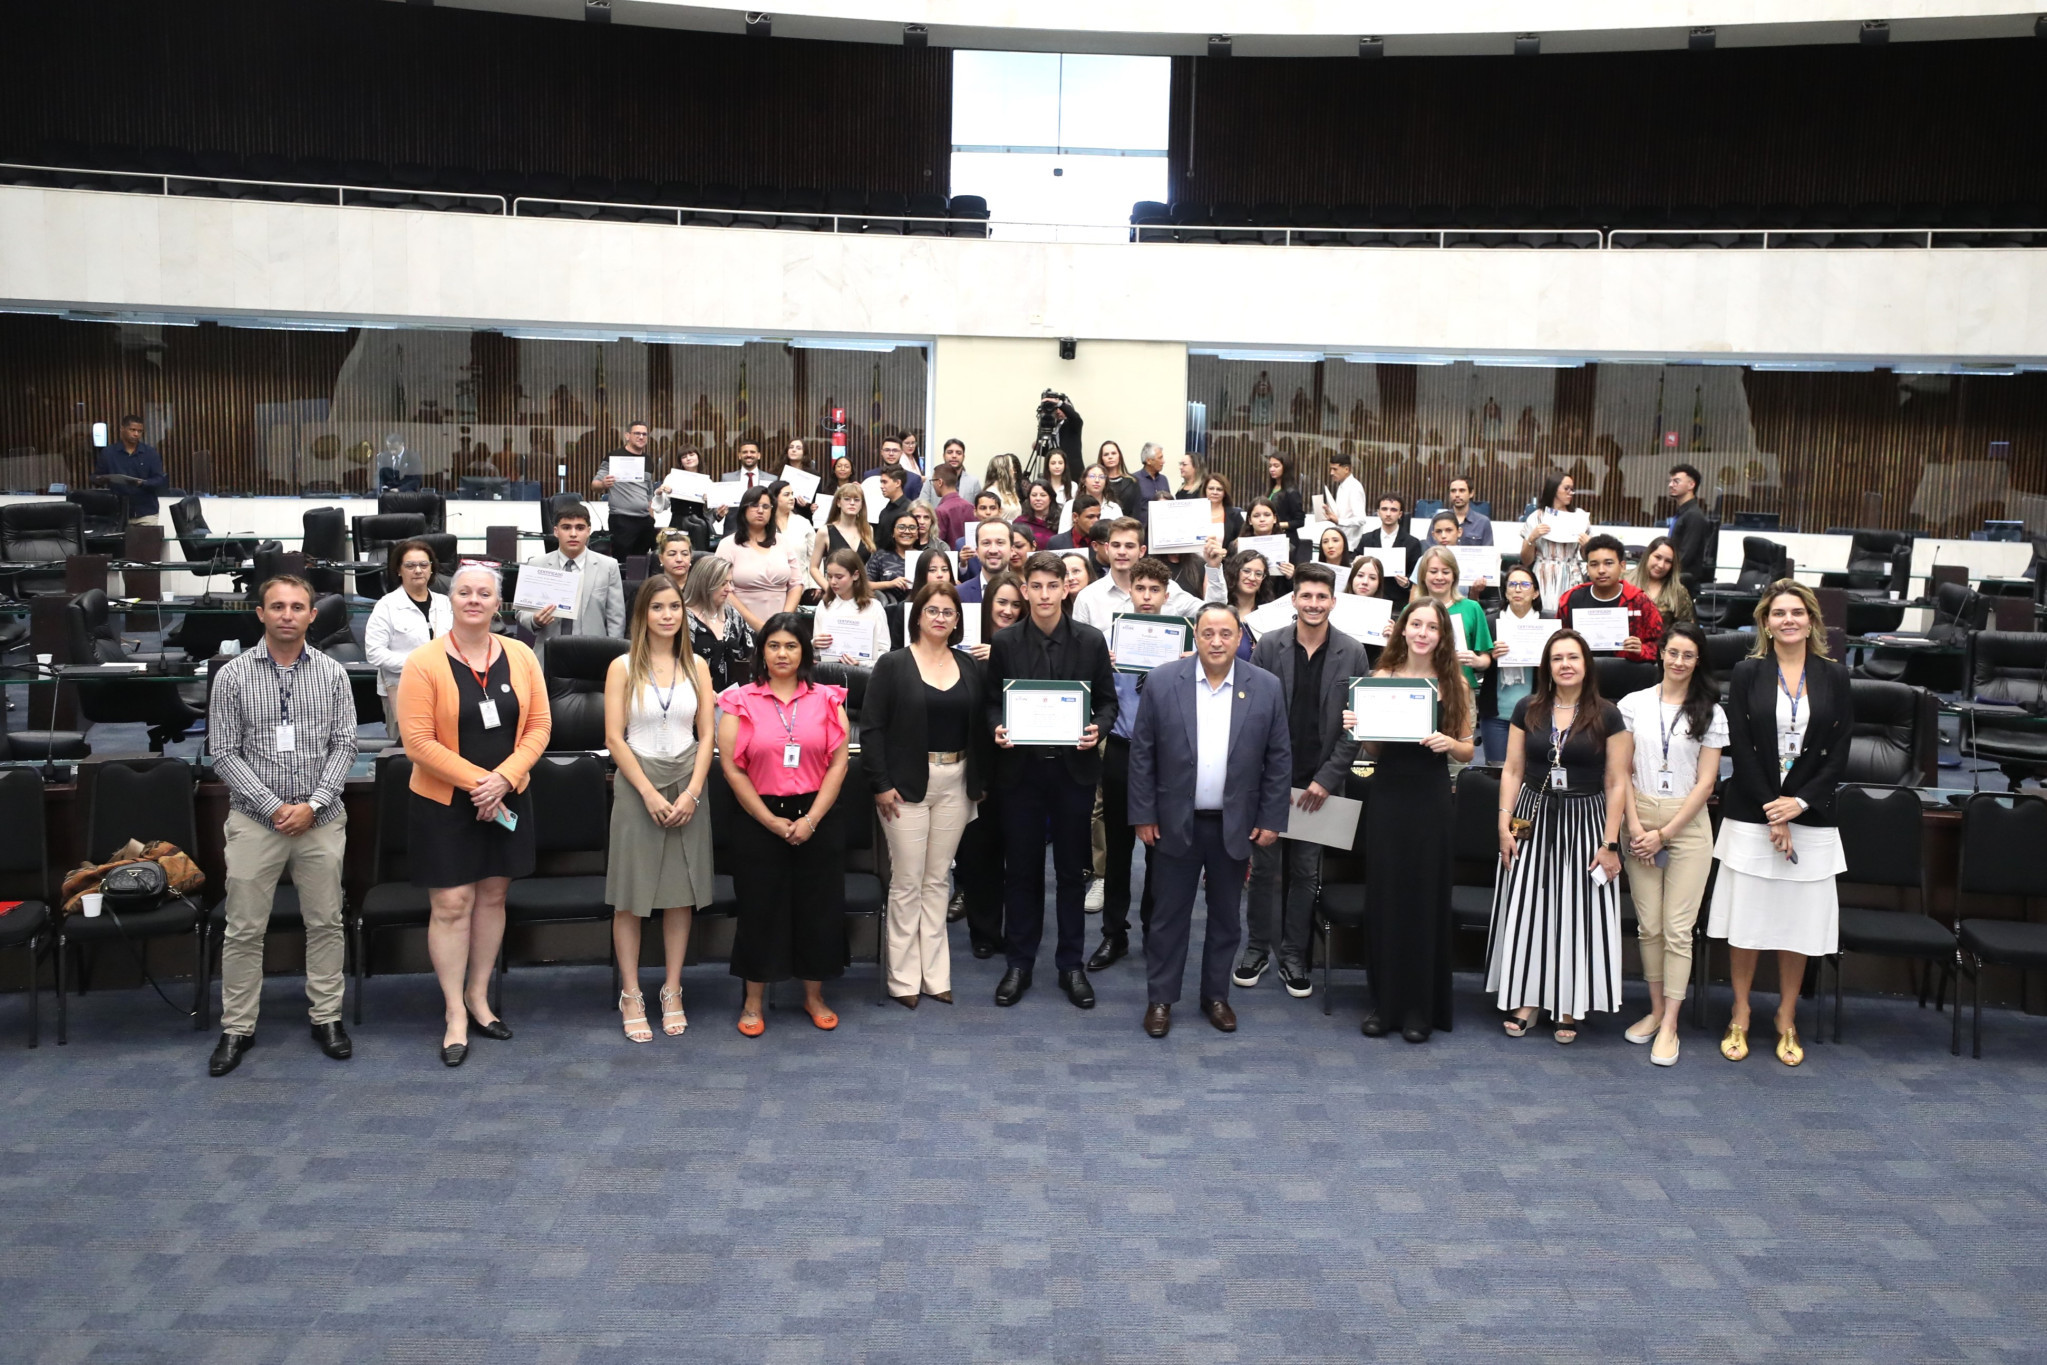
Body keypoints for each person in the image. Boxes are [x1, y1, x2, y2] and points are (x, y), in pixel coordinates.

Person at [203, 575, 359, 1077]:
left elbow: (346, 746)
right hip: (255, 820)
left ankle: (327, 1017)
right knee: (245, 927)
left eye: (297, 607)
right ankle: (238, 1026)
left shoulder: (334, 674)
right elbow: (223, 754)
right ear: (261, 614)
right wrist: (273, 805)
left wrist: (313, 803)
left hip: (320, 819)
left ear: (313, 615)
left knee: (325, 922)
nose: (287, 614)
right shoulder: (231, 676)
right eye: (277, 606)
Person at [396, 563, 551, 1066]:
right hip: (444, 802)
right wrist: (478, 784)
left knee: (492, 895)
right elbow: (417, 742)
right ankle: (453, 1013)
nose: (474, 600)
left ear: (498, 602)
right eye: (464, 592)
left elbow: (540, 728)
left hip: (507, 795)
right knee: (452, 904)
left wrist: (503, 779)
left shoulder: (522, 656)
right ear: (451, 599)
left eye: (485, 593)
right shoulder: (424, 662)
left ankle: (479, 998)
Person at [1127, 604, 1292, 1037]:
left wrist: (1273, 818)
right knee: (1168, 919)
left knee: (1225, 919)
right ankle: (1160, 999)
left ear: (1240, 637)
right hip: (1173, 822)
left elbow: (1279, 760)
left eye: (1225, 633)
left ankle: (1215, 997)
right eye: (1207, 633)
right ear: (1194, 637)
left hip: (1235, 825)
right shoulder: (1164, 682)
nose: (1216, 641)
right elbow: (1142, 754)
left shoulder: (1267, 687)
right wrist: (1142, 814)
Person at [1707, 581, 1852, 1069]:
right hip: (1753, 812)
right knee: (1746, 923)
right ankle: (1741, 1012)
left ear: (1811, 620)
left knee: (1798, 925)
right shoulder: (1748, 673)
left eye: (1796, 612)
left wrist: (1799, 804)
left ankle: (1786, 1016)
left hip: (1812, 817)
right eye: (1777, 613)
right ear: (1765, 623)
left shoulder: (1835, 676)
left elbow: (1840, 754)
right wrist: (1774, 806)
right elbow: (1741, 747)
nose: (1787, 620)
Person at [984, 552, 1120, 1009]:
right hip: (1019, 774)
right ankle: (1019, 963)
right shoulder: (1005, 642)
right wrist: (996, 728)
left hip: (1072, 773)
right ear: (1024, 590)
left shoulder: (1090, 641)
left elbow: (1106, 702)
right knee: (1020, 870)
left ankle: (1070, 965)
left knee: (1069, 873)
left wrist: (1097, 728)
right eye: (1035, 586)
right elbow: (990, 704)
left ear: (1067, 588)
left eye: (1051, 586)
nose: (1043, 595)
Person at [1487, 629, 1630, 1044]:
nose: (1565, 664)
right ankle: (1527, 998)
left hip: (1586, 818)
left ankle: (1568, 1002)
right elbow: (1512, 770)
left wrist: (1609, 843)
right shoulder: (1527, 708)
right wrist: (1503, 824)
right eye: (1556, 658)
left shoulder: (1607, 714)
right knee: (1528, 904)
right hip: (1530, 814)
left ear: (1587, 664)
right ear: (1547, 666)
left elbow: (1617, 782)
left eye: (1573, 657)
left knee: (1575, 909)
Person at [717, 616, 853, 1036]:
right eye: (773, 646)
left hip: (817, 816)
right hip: (759, 817)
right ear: (762, 652)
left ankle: (813, 996)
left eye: (791, 646)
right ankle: (753, 1001)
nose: (782, 654)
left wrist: (811, 819)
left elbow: (839, 762)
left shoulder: (828, 699)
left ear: (805, 653)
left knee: (819, 908)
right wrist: (770, 820)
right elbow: (731, 769)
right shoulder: (739, 701)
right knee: (760, 909)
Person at [1348, 598, 1475, 1042]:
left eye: (1432, 627)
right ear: (1402, 629)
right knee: (1385, 897)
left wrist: (1447, 743)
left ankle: (1421, 1008)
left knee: (1424, 900)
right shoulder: (1380, 678)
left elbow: (1467, 750)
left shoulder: (1455, 682)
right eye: (1415, 624)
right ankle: (1384, 1006)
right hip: (1389, 795)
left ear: (1443, 636)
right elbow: (1375, 751)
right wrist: (1359, 730)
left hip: (1431, 798)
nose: (1422, 633)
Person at [1237, 564, 1364, 998]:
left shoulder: (1353, 651)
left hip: (1319, 787)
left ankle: (1294, 955)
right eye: (1305, 596)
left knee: (1306, 875)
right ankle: (1255, 949)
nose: (1313, 604)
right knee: (1264, 872)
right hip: (1271, 782)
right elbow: (1248, 718)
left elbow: (1355, 727)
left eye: (1321, 597)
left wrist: (1327, 780)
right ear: (1293, 600)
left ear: (1333, 601)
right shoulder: (1269, 646)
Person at [864, 582, 990, 1007]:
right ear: (917, 616)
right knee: (907, 882)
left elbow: (980, 726)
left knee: (938, 881)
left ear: (958, 620)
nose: (940, 618)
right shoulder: (893, 664)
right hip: (905, 787)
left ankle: (936, 976)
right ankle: (902, 979)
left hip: (957, 782)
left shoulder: (969, 665)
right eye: (932, 610)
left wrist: (981, 780)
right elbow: (873, 729)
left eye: (948, 612)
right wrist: (881, 784)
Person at [603, 576, 716, 1043]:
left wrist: (690, 793)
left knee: (679, 892)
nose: (668, 615)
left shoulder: (699, 666)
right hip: (637, 784)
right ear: (642, 615)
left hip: (689, 781)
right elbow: (614, 737)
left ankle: (672, 988)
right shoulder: (622, 666)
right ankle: (631, 993)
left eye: (675, 607)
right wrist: (649, 792)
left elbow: (707, 735)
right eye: (657, 608)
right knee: (632, 895)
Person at [1616, 623, 1726, 1067]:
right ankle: (1656, 1009)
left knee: (1679, 930)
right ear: (1660, 654)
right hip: (1639, 818)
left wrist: (1664, 833)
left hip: (1687, 825)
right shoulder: (1633, 705)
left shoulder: (1711, 712)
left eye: (1689, 655)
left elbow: (1707, 783)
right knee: (1650, 927)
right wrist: (1637, 825)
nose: (1679, 662)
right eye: (1673, 653)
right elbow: (1620, 771)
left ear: (1698, 661)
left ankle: (1671, 1024)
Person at [1086, 557, 1185, 971]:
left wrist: (1187, 665)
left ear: (1165, 595)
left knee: (1160, 850)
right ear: (1131, 592)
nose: (1146, 597)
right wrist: (1101, 668)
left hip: (1167, 755)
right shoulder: (1110, 639)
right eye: (1140, 589)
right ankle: (1114, 934)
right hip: (1123, 749)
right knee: (1120, 849)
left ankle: (1154, 932)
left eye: (1154, 591)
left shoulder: (1183, 639)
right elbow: (1094, 697)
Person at [957, 573, 1026, 958]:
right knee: (979, 854)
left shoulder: (1030, 645)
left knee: (1019, 856)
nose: (1009, 611)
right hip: (979, 765)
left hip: (1022, 766)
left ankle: (1017, 930)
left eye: (1017, 604)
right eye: (1002, 603)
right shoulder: (965, 652)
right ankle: (983, 931)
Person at [518, 501, 626, 663]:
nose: (573, 534)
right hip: (549, 654)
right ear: (556, 531)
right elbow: (522, 612)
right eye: (566, 527)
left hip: (594, 655)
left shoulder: (608, 566)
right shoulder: (536, 564)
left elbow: (616, 618)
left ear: (588, 531)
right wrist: (535, 620)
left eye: (580, 528)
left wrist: (613, 658)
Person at [364, 538, 451, 736]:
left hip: (444, 688)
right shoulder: (387, 605)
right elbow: (374, 653)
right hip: (402, 688)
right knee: (405, 753)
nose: (418, 570)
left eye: (423, 565)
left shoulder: (445, 603)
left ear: (431, 569)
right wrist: (418, 664)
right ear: (398, 570)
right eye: (410, 565)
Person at [1073, 517, 1202, 629]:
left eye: (1129, 546)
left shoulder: (1168, 588)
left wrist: (1213, 567)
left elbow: (1210, 613)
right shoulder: (1087, 598)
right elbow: (1079, 647)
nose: (1122, 552)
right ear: (1107, 548)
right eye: (1116, 545)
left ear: (1142, 551)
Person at [1559, 534, 1665, 660]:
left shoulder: (1639, 601)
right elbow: (1557, 642)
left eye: (1608, 563)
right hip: (1581, 674)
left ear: (1622, 566)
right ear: (1587, 568)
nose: (1601, 570)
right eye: (1594, 564)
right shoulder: (1571, 599)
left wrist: (1642, 650)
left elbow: (1662, 646)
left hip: (1628, 673)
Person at [717, 484, 802, 629]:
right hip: (740, 625)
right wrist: (757, 625)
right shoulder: (727, 545)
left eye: (766, 506)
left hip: (782, 626)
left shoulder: (783, 542)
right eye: (754, 505)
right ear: (744, 509)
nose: (760, 510)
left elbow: (796, 584)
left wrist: (782, 622)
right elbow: (722, 589)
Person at [1412, 545, 1494, 696]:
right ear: (1423, 575)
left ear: (1454, 576)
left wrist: (1476, 661)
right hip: (1420, 691)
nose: (1439, 577)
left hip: (1460, 691)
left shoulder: (1472, 608)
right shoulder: (1411, 610)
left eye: (1445, 572)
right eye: (1433, 571)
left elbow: (1485, 658)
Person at [1482, 565, 1545, 762]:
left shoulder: (1548, 623)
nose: (1518, 589)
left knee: (1533, 773)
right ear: (1506, 591)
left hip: (1538, 715)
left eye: (1525, 584)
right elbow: (1477, 663)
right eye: (1513, 584)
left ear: (1535, 592)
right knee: (1497, 772)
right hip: (1496, 715)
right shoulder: (1491, 622)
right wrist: (1491, 656)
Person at [1520, 470, 1590, 615]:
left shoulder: (1579, 517)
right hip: (1544, 574)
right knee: (1544, 615)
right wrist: (1531, 538)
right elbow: (1526, 560)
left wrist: (1587, 545)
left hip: (1571, 573)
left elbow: (1586, 557)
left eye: (1572, 489)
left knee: (1571, 615)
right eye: (1566, 488)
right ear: (1553, 489)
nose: (1571, 492)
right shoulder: (1537, 517)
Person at [684, 554, 755, 693]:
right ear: (705, 584)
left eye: (730, 582)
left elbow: (748, 652)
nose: (729, 589)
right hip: (693, 695)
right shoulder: (684, 619)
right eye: (723, 583)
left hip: (730, 697)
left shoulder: (732, 614)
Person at [591, 419, 658, 559]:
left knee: (641, 563)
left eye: (644, 434)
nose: (641, 437)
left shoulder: (648, 460)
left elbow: (649, 488)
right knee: (622, 563)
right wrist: (603, 484)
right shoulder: (613, 457)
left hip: (645, 520)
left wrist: (651, 515)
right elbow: (594, 485)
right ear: (627, 435)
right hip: (622, 519)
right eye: (637, 433)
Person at [813, 549, 889, 666]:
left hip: (863, 675)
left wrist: (861, 663)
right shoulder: (824, 605)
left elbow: (884, 652)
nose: (833, 582)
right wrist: (814, 644)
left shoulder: (874, 607)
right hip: (830, 672)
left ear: (855, 575)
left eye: (839, 577)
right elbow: (817, 654)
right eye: (829, 576)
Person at [92, 414, 169, 523]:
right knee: (120, 540)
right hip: (118, 513)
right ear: (122, 429)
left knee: (148, 540)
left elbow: (160, 479)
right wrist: (101, 479)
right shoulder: (108, 453)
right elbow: (96, 477)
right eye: (132, 430)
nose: (136, 434)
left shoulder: (150, 453)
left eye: (140, 431)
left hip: (146, 512)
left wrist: (142, 483)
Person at [810, 480, 875, 590]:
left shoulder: (868, 529)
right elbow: (813, 567)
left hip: (862, 593)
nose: (852, 503)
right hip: (836, 591)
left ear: (861, 505)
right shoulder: (825, 531)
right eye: (847, 499)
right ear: (838, 502)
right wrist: (829, 589)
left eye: (857, 500)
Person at [1360, 493, 1421, 596]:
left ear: (1400, 514)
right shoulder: (1366, 539)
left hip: (1398, 599)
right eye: (1384, 509)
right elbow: (1355, 564)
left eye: (1393, 510)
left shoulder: (1412, 543)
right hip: (1370, 597)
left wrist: (1407, 583)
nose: (1388, 513)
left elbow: (1417, 575)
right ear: (1378, 512)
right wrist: (1357, 560)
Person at [1630, 534, 1695, 625]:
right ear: (1647, 556)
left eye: (1668, 561)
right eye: (1657, 557)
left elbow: (1688, 630)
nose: (1661, 565)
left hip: (1663, 639)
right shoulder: (1623, 580)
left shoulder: (1678, 592)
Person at [1666, 462, 1713, 584]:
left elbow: (1686, 555)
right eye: (1670, 481)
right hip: (1675, 577)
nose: (1671, 485)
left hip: (1683, 581)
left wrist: (1664, 572)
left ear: (1691, 485)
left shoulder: (1694, 516)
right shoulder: (1683, 513)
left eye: (1676, 481)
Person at [865, 508, 923, 601]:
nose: (907, 531)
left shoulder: (925, 557)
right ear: (893, 532)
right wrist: (890, 583)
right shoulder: (880, 556)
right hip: (889, 608)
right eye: (901, 527)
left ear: (917, 534)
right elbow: (864, 585)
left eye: (912, 528)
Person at [1322, 452, 1370, 549]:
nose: (1331, 473)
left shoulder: (1354, 487)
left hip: (1351, 545)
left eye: (1335, 469)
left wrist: (1339, 520)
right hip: (1341, 542)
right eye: (1331, 469)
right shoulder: (1342, 486)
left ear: (1346, 469)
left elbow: (1361, 519)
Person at [958, 519, 1011, 604]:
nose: (993, 550)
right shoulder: (959, 594)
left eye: (1000, 543)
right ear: (977, 551)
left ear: (1011, 550)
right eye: (986, 543)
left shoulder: (1024, 593)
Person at [919, 437, 980, 506]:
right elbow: (922, 507)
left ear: (963, 457)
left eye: (958, 453)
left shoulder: (973, 482)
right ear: (944, 456)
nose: (954, 456)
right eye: (950, 452)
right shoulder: (931, 481)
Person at [929, 463, 976, 552]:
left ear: (939, 482)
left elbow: (938, 543)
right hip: (970, 560)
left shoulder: (940, 511)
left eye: (933, 481)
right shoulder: (971, 507)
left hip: (950, 560)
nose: (933, 485)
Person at [861, 433, 923, 499]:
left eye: (895, 450)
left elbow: (916, 506)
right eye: (887, 450)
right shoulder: (869, 476)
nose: (891, 454)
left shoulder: (913, 479)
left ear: (901, 453)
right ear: (882, 452)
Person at [1263, 452, 1304, 542]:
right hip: (1271, 536)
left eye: (1276, 466)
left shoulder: (1291, 492)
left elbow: (1299, 521)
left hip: (1285, 539)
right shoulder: (1272, 488)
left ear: (1285, 468)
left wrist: (1277, 524)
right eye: (1270, 466)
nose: (1272, 469)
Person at [1446, 474, 1493, 545]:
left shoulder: (1483, 522)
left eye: (1462, 490)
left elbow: (1488, 553)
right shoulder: (1439, 520)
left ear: (1471, 493)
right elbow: (1430, 551)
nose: (1457, 494)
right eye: (1453, 491)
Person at [1201, 472, 1246, 546]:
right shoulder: (1195, 513)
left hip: (1225, 556)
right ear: (1205, 490)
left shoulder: (1235, 516)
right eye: (1211, 488)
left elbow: (1240, 542)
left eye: (1219, 489)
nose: (1215, 492)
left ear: (1225, 492)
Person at [1100, 440, 1142, 513]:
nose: (1110, 457)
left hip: (1129, 522)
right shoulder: (1099, 481)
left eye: (1113, 453)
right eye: (1106, 454)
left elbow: (1137, 509)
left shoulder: (1132, 481)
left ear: (1119, 456)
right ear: (1102, 458)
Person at [1016, 479, 1059, 549]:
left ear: (1050, 498)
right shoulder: (1020, 522)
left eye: (1043, 495)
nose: (1038, 498)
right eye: (1034, 495)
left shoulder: (1061, 521)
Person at [983, 453, 1024, 520]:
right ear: (1004, 472)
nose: (1014, 472)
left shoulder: (1010, 490)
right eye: (1011, 468)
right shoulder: (991, 494)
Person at [1133, 442, 1171, 511]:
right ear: (1149, 461)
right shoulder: (1134, 480)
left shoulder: (1163, 479)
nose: (1163, 461)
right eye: (1160, 458)